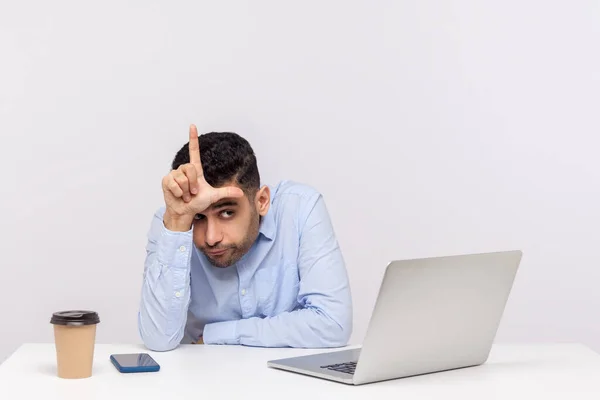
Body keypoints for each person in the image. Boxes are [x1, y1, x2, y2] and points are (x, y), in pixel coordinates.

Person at [137, 125, 353, 350]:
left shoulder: (300, 209)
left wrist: (216, 334)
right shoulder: (173, 220)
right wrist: (177, 226)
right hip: (199, 378)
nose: (211, 238)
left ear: (261, 201)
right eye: (199, 216)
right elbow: (157, 339)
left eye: (227, 212)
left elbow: (333, 323)